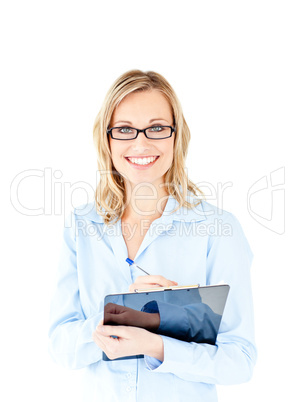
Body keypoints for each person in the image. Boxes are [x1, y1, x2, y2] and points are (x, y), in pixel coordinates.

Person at [48, 69, 257, 402]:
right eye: (125, 129)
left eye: (157, 128)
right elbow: (60, 346)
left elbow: (240, 360)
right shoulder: (81, 226)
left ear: (177, 136)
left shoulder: (219, 229)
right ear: (107, 139)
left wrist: (157, 346)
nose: (141, 143)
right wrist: (113, 317)